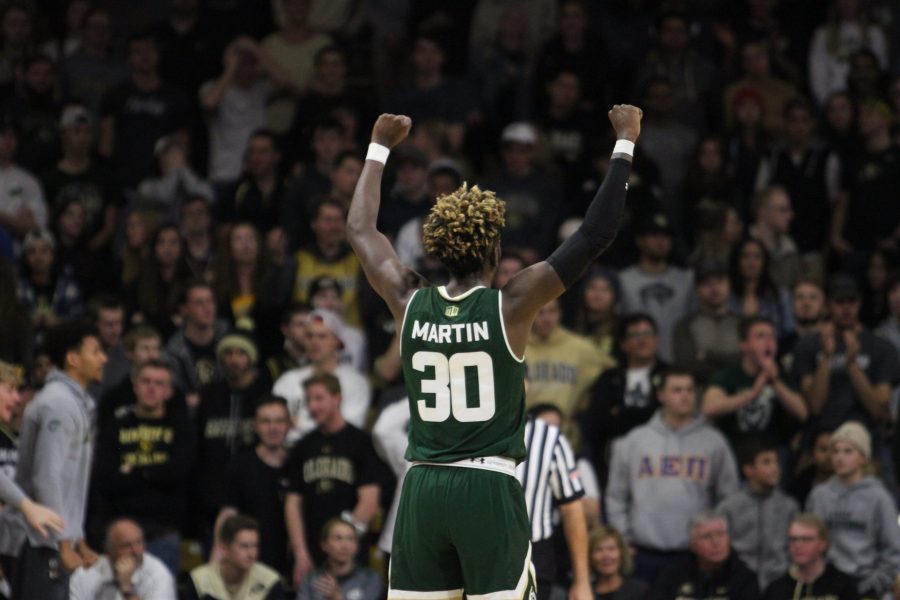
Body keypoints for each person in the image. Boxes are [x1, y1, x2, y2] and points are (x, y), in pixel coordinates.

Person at [346, 105, 641, 599]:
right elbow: (595, 234)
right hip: (487, 487)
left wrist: (379, 145)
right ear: (495, 252)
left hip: (420, 488)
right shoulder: (512, 305)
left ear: (436, 249)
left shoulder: (406, 299)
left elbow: (360, 230)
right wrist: (626, 141)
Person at [606, 369, 739, 583]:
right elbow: (616, 497)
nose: (685, 396)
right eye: (677, 390)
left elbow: (729, 497)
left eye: (689, 390)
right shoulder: (634, 441)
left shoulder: (714, 442)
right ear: (661, 395)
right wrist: (623, 538)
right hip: (643, 553)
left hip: (696, 554)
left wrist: (716, 540)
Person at [10, 320, 106, 599]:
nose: (104, 358)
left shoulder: (74, 402)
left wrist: (77, 539)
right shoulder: (58, 404)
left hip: (52, 541)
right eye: (95, 351)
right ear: (73, 358)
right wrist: (64, 543)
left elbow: (68, 483)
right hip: (38, 541)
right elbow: (46, 477)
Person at [90, 358, 195, 575]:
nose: (151, 388)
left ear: (169, 391)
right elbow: (105, 477)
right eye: (146, 381)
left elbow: (178, 474)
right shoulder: (115, 426)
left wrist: (133, 472)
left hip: (162, 533)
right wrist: (154, 474)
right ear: (135, 386)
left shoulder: (182, 427)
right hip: (119, 532)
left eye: (159, 383)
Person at [284, 373, 381, 585]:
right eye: (309, 400)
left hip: (351, 559)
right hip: (312, 553)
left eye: (319, 398)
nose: (312, 406)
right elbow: (293, 503)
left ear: (337, 398)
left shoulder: (360, 443)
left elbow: (369, 501)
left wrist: (341, 545)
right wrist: (300, 553)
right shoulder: (304, 446)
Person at [807, 421, 900, 598]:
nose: (839, 457)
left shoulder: (879, 498)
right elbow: (809, 542)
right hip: (825, 587)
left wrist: (869, 587)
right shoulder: (818, 496)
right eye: (835, 451)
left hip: (865, 588)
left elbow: (893, 552)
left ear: (863, 458)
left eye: (848, 451)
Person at [581, 313, 666, 483]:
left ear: (657, 339)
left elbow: (668, 417)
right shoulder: (608, 378)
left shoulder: (669, 375)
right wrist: (646, 413)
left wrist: (621, 413)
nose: (642, 341)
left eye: (647, 334)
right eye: (635, 335)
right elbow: (597, 422)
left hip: (662, 457)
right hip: (614, 461)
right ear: (623, 344)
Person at [215, 395, 291, 578]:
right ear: (255, 426)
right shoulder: (240, 465)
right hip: (249, 564)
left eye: (279, 421)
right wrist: (218, 559)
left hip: (290, 564)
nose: (273, 428)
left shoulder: (300, 464)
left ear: (289, 425)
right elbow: (227, 514)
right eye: (266, 421)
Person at [702, 317, 807, 450]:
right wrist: (752, 393)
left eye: (772, 337)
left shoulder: (781, 374)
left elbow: (802, 413)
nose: (769, 342)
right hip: (735, 448)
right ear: (744, 345)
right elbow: (709, 409)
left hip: (770, 451)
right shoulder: (728, 374)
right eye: (760, 336)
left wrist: (775, 383)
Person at [517, 404, 589, 600]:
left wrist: (582, 581)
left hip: (534, 553)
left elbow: (573, 509)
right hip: (477, 555)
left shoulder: (550, 438)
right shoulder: (468, 433)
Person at [271, 309, 370, 442]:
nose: (315, 342)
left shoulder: (356, 382)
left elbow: (348, 429)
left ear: (337, 341)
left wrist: (298, 424)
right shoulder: (287, 380)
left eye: (322, 336)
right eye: (310, 336)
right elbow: (275, 427)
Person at [717, 437, 799, 589]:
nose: (775, 468)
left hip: (779, 584)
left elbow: (794, 548)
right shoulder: (729, 507)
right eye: (766, 462)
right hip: (739, 583)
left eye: (776, 462)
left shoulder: (789, 506)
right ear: (748, 470)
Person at [618, 210, 694, 363]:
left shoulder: (686, 279)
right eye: (654, 235)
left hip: (680, 364)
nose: (661, 240)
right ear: (639, 240)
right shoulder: (623, 280)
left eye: (666, 235)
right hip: (638, 363)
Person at [524, 298, 607, 420]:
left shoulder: (580, 348)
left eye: (552, 311)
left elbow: (611, 370)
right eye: (540, 312)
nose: (547, 318)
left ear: (560, 313)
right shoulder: (517, 347)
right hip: (523, 430)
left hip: (566, 431)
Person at [651, 511, 760, 600]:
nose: (716, 543)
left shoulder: (744, 578)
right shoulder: (673, 574)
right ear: (693, 545)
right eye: (707, 537)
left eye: (720, 534)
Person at [68, 518, 176, 600]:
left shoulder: (158, 575)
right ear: (108, 552)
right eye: (127, 546)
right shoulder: (86, 574)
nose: (136, 551)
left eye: (139, 543)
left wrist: (127, 588)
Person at [672, 259, 742, 383]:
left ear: (729, 285)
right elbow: (686, 366)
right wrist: (729, 363)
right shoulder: (685, 325)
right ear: (697, 289)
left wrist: (708, 355)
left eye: (719, 282)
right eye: (707, 284)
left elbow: (746, 361)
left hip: (739, 392)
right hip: (700, 395)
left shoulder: (743, 323)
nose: (714, 289)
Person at [763, 513, 859, 600]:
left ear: (823, 543)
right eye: (793, 539)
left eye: (806, 539)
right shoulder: (776, 589)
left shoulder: (843, 586)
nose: (798, 545)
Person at [186, 515, 284, 600]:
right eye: (244, 546)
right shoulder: (200, 581)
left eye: (255, 546)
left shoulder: (269, 581)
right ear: (225, 547)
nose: (252, 554)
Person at [296, 518, 383, 600]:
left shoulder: (370, 579)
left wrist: (337, 598)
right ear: (324, 545)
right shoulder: (311, 579)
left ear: (357, 545)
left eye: (350, 539)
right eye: (338, 538)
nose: (345, 546)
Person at [590, 526, 650, 600]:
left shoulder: (640, 590)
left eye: (611, 549)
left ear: (622, 553)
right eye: (598, 550)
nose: (606, 556)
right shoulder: (583, 593)